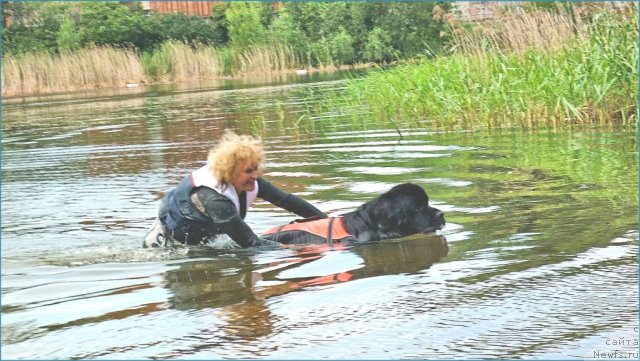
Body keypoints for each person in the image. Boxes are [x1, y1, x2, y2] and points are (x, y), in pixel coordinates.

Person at [143, 130, 326, 248]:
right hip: (169, 245)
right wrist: (300, 248)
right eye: (248, 171)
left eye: (256, 168)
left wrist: (325, 221)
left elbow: (288, 201)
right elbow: (250, 243)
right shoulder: (213, 199)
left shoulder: (252, 182)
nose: (255, 175)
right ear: (229, 172)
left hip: (203, 237)